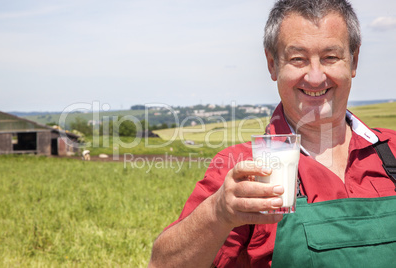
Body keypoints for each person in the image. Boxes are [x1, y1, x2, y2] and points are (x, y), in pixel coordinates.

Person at [149, 0, 396, 267]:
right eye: (297, 59)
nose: (315, 77)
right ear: (272, 65)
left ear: (354, 61)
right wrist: (218, 212)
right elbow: (162, 264)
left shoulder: (391, 150)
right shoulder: (242, 168)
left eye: (330, 57)